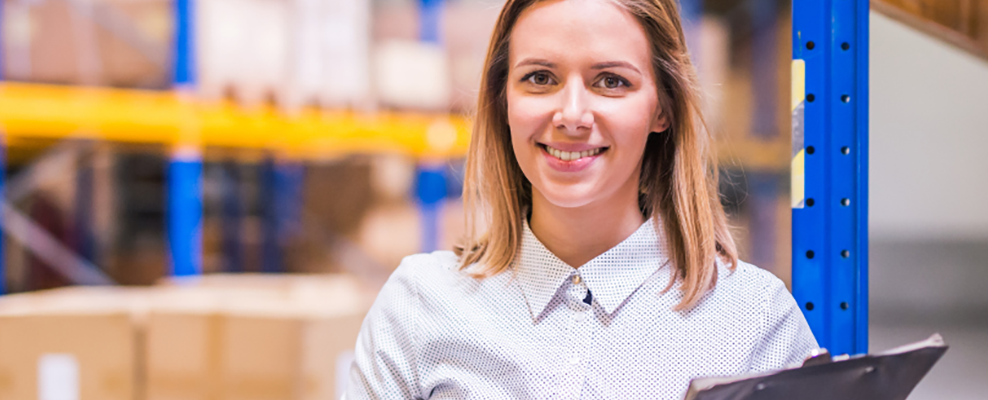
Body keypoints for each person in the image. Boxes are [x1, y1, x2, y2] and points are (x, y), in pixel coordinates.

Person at [348, 0, 817, 397]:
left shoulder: (754, 318)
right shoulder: (418, 304)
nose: (571, 115)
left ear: (662, 109)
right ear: (503, 102)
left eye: (611, 81)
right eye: (540, 78)